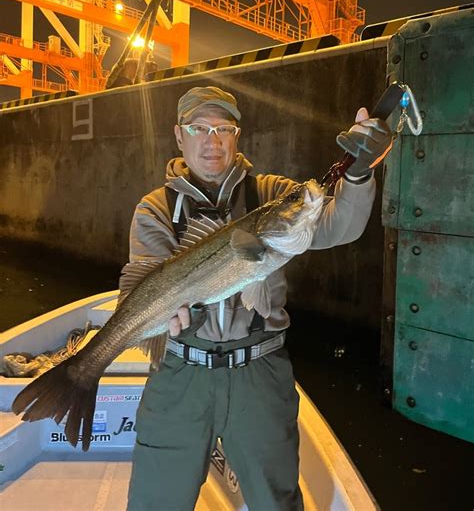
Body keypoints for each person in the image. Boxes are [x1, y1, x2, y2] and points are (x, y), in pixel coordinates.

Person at [123, 85, 392, 510]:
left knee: (275, 500)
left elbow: (341, 224)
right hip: (180, 371)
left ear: (237, 135)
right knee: (157, 499)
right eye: (199, 128)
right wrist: (169, 319)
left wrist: (358, 173)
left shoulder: (271, 193)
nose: (213, 140)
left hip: (260, 371)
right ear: (179, 136)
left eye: (224, 129)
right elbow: (149, 281)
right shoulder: (154, 208)